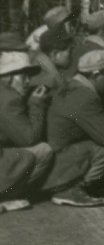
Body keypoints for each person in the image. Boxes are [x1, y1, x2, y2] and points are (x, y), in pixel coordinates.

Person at [45, 49, 104, 207]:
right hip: (61, 161)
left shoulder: (73, 85)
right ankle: (72, 189)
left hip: (56, 155)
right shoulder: (85, 96)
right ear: (96, 74)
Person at [0, 52, 55, 211]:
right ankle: (6, 197)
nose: (28, 82)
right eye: (23, 76)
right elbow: (28, 139)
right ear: (9, 76)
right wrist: (36, 105)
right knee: (44, 150)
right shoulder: (8, 98)